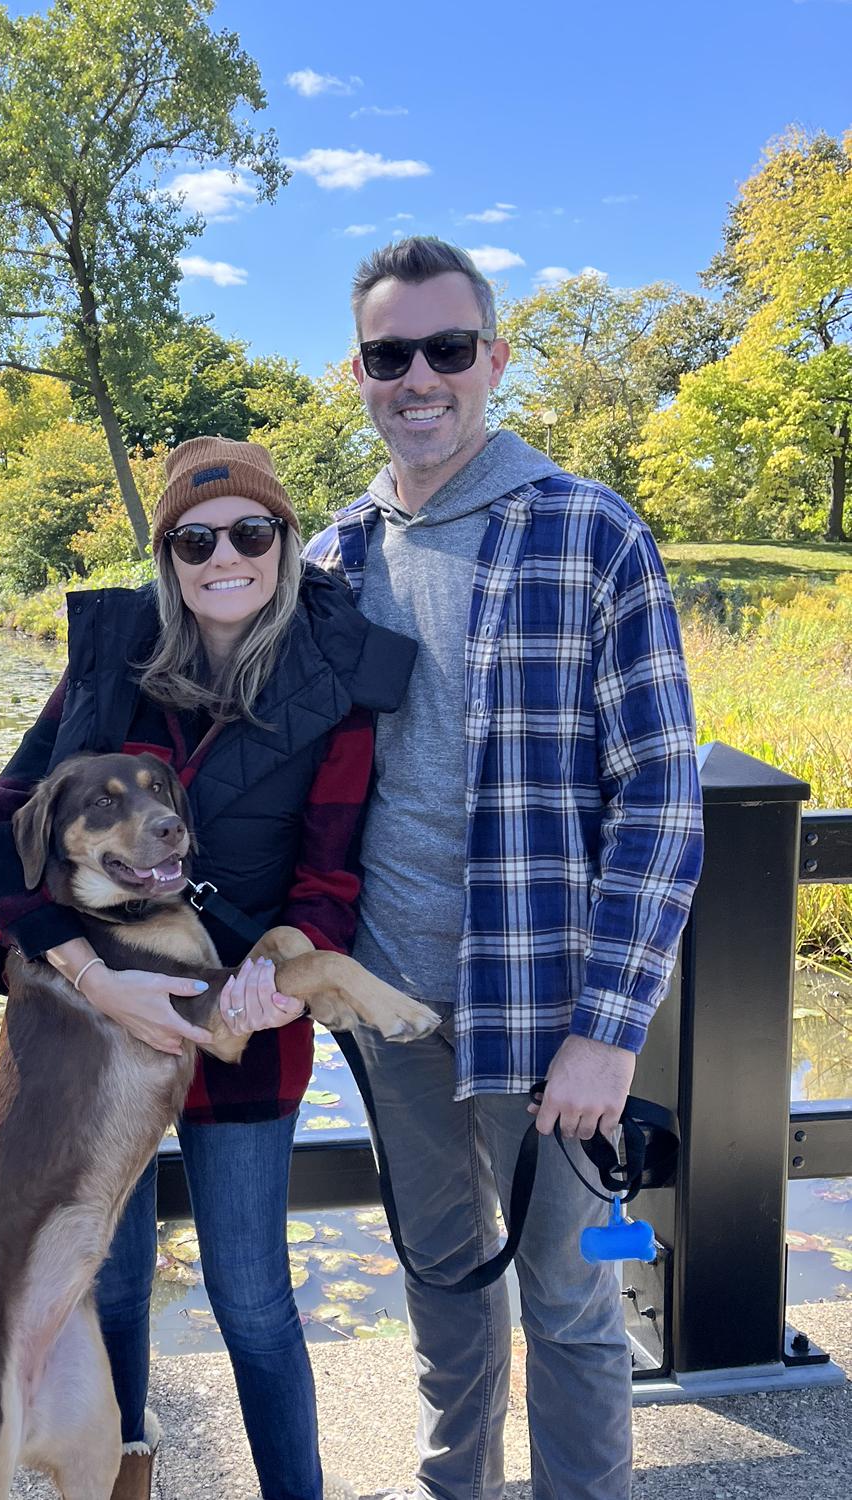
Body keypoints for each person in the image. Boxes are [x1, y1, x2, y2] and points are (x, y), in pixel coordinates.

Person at [303, 238, 704, 1500]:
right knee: (442, 1290)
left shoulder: (592, 533)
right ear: (358, 372)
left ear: (494, 359)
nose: (418, 377)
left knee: (572, 1309)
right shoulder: (332, 559)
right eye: (389, 354)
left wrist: (611, 1029)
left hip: (546, 1012)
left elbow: (663, 796)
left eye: (447, 348)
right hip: (389, 1003)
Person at [0, 436, 415, 1500]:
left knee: (252, 1300)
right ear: (167, 556)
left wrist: (279, 970)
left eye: (251, 533)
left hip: (246, 1017)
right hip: (90, 1041)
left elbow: (329, 878)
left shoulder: (340, 679)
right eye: (194, 538)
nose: (225, 556)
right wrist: (89, 975)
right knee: (107, 1297)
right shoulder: (113, 659)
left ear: (285, 543)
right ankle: (124, 1487)